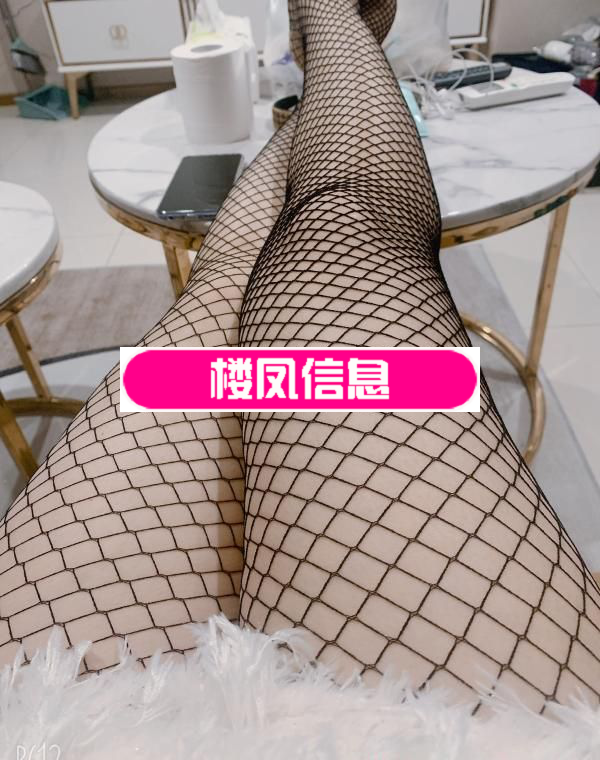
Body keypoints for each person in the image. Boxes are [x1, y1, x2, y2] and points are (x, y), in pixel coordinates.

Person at [1, 0, 599, 714]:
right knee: (349, 220)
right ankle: (334, 33)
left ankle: (324, 59)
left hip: (40, 717)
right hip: (490, 728)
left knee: (226, 279)